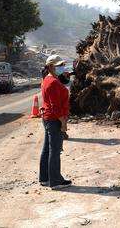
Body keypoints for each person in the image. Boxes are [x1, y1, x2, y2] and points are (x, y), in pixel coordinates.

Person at [39, 54, 72, 189]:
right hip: (54, 119)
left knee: (47, 149)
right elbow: (55, 106)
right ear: (51, 67)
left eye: (62, 65)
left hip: (48, 118)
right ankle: (56, 181)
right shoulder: (52, 82)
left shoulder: (48, 79)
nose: (62, 67)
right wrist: (63, 123)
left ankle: (45, 178)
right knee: (55, 150)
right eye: (59, 66)